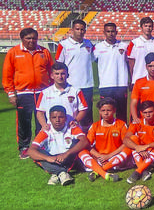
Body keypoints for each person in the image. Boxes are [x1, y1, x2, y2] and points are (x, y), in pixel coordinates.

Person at [3, 28, 53, 159]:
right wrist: (10, 93)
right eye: (28, 38)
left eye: (34, 38)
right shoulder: (13, 52)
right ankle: (24, 148)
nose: (32, 41)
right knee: (24, 121)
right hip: (23, 93)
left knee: (42, 121)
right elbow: (7, 75)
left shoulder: (44, 51)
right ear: (22, 39)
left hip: (43, 92)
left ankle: (40, 145)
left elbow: (52, 71)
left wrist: (53, 89)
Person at [28, 105, 89, 186]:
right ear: (49, 119)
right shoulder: (46, 131)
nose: (57, 120)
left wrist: (66, 154)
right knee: (37, 153)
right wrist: (48, 158)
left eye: (61, 117)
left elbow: (85, 141)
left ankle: (56, 173)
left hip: (68, 157)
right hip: (52, 158)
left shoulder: (71, 127)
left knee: (77, 143)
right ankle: (62, 173)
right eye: (54, 117)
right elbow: (31, 150)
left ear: (66, 118)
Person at [78, 97, 130, 182]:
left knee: (129, 148)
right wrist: (99, 156)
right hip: (100, 159)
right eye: (103, 110)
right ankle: (105, 174)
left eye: (109, 110)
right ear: (99, 111)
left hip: (115, 157)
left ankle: (97, 171)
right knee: (81, 152)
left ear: (114, 111)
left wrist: (109, 156)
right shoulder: (95, 126)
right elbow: (87, 145)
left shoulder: (121, 125)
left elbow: (126, 143)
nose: (106, 113)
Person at [55, 19, 94, 130]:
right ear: (72, 30)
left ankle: (87, 140)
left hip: (87, 85)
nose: (80, 32)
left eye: (82, 29)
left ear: (85, 30)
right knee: (70, 113)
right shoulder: (64, 45)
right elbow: (58, 65)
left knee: (87, 114)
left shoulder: (88, 43)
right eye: (77, 29)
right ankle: (68, 138)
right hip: (71, 86)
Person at [124, 100, 154, 183]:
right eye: (145, 112)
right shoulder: (136, 123)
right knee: (133, 138)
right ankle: (144, 170)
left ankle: (138, 171)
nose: (148, 115)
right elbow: (126, 139)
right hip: (142, 155)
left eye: (150, 112)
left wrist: (147, 146)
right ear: (141, 113)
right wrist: (137, 147)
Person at [93, 23, 129, 122]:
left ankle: (122, 135)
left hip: (121, 84)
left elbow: (129, 62)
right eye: (108, 31)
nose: (110, 34)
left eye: (112, 31)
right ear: (104, 32)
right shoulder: (98, 47)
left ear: (116, 32)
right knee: (106, 114)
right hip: (105, 85)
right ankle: (104, 133)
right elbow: (93, 60)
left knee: (122, 113)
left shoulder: (124, 46)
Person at [36, 62, 87, 130]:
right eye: (57, 74)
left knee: (83, 140)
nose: (60, 77)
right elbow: (40, 112)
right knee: (36, 141)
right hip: (52, 129)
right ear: (52, 76)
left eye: (62, 74)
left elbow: (83, 109)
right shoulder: (45, 93)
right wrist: (44, 125)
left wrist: (76, 121)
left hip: (71, 127)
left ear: (67, 75)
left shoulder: (76, 91)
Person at [126, 17, 154, 84]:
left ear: (152, 28)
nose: (148, 28)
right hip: (138, 79)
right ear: (141, 27)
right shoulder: (134, 42)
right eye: (145, 26)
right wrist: (132, 79)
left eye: (150, 26)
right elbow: (131, 64)